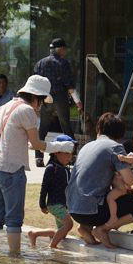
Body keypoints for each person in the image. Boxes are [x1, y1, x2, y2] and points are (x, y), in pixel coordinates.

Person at [0, 74, 74, 255]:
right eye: (41, 101)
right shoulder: (27, 111)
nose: (40, 106)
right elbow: (37, 145)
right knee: (14, 219)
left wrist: (17, 140)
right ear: (36, 97)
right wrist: (60, 146)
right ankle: (14, 258)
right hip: (11, 170)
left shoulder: (4, 107)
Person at [67, 113, 133, 248]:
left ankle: (85, 228)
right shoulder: (114, 147)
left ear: (99, 129)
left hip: (73, 209)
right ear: (120, 134)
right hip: (92, 212)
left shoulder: (86, 146)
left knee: (108, 195)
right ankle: (104, 228)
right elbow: (130, 180)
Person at [33, 38, 83, 167]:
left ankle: (38, 158)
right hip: (60, 97)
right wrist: (77, 101)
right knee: (66, 126)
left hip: (45, 98)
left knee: (43, 128)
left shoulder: (40, 63)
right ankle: (72, 155)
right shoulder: (63, 63)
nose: (65, 51)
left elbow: (36, 83)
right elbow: (69, 85)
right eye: (64, 49)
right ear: (59, 49)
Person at [28, 135, 75, 249]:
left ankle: (34, 234)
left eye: (71, 154)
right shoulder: (51, 168)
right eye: (67, 154)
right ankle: (52, 247)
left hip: (63, 205)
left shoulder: (65, 169)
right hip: (55, 204)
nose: (70, 157)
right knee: (69, 224)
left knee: (61, 233)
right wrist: (42, 204)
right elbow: (44, 187)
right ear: (56, 152)